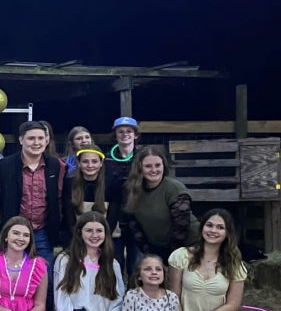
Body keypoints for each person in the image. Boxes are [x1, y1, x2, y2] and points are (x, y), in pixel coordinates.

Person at [0, 120, 65, 282]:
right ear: (21, 140)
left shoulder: (56, 166)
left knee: (46, 279)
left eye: (40, 138)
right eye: (31, 138)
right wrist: (0, 224)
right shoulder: (4, 166)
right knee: (12, 279)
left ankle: (43, 308)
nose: (36, 143)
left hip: (43, 232)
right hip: (12, 233)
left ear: (46, 140)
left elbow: (60, 198)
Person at [123, 145, 199, 261]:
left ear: (164, 165)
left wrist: (169, 258)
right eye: (148, 166)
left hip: (188, 245)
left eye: (158, 165)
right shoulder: (132, 190)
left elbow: (181, 228)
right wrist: (149, 252)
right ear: (139, 168)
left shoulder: (174, 188)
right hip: (156, 247)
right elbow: (134, 225)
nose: (154, 170)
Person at [104, 116, 140, 273]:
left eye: (129, 131)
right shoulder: (106, 159)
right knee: (115, 263)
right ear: (116, 135)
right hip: (114, 217)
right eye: (121, 131)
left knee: (137, 263)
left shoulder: (143, 158)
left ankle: (136, 295)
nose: (125, 134)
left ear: (135, 135)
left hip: (138, 217)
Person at [61, 147, 119, 236]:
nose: (90, 165)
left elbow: (112, 219)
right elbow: (69, 218)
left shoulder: (112, 184)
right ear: (79, 163)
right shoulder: (70, 184)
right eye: (85, 161)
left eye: (94, 161)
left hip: (106, 236)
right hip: (77, 236)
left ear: (101, 163)